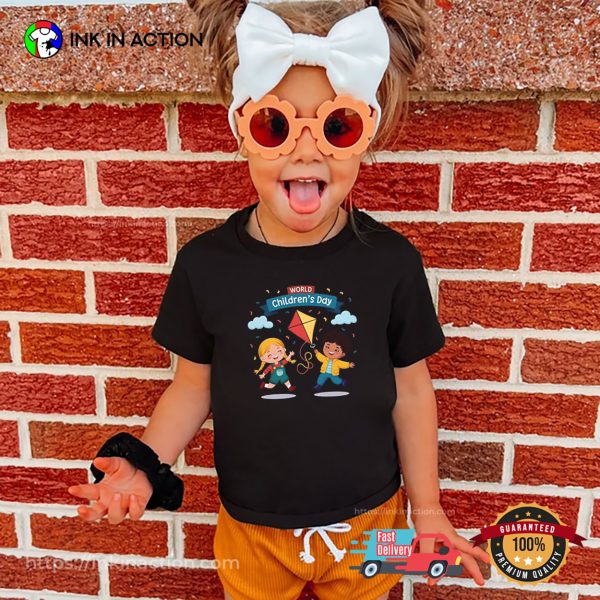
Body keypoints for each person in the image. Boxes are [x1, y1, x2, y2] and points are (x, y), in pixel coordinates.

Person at [67, 1, 491, 599]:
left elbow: (413, 391)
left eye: (337, 127)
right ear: (242, 130)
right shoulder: (206, 265)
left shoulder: (391, 261)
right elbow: (192, 386)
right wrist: (147, 462)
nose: (307, 150)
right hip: (251, 528)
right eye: (276, 126)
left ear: (365, 135)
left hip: (372, 520)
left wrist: (427, 512)